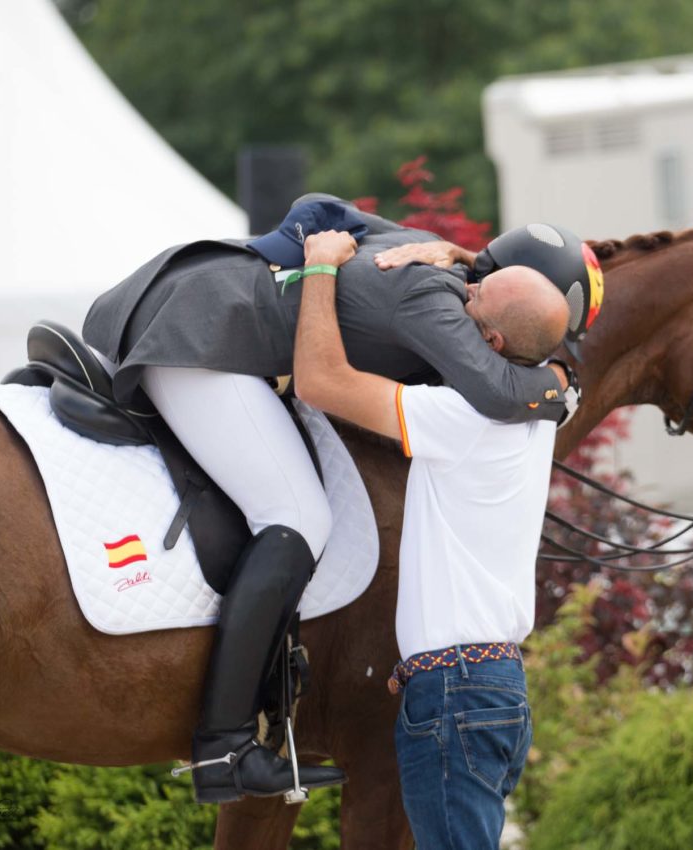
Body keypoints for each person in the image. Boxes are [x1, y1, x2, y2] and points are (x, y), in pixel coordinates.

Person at [80, 197, 599, 803]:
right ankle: (224, 744)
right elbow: (498, 389)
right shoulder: (437, 302)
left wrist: (309, 245)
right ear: (494, 323)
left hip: (186, 293)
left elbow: (320, 206)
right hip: (199, 332)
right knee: (297, 516)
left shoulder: (424, 249)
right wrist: (563, 388)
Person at [293, 228, 560, 848]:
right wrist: (464, 255)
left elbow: (318, 381)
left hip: (459, 692)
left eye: (473, 299)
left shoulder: (462, 419)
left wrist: (320, 268)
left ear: (489, 343)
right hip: (486, 683)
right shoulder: (548, 405)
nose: (459, 297)